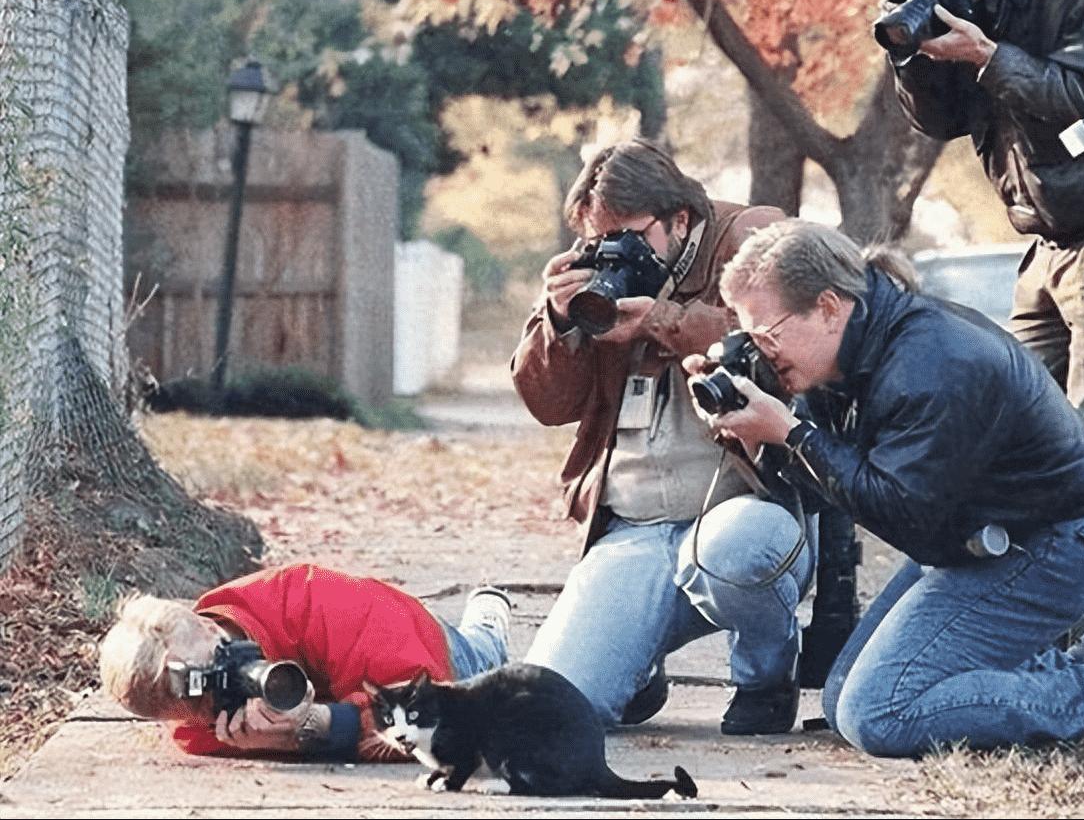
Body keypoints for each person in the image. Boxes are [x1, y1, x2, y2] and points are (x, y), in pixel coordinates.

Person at [698, 218, 1084, 756]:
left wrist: (792, 436)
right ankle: (1043, 671)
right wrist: (756, 435)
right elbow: (827, 493)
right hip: (971, 542)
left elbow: (900, 513)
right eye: (747, 338)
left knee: (880, 712)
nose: (761, 352)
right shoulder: (844, 358)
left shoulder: (933, 364)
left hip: (1048, 548)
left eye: (767, 336)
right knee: (846, 700)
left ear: (828, 307)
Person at [511, 137, 810, 736]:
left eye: (628, 234)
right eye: (600, 239)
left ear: (680, 218)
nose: (613, 251)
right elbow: (548, 405)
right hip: (635, 530)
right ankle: (633, 658)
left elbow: (783, 340)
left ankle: (765, 676)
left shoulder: (750, 236)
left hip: (739, 514)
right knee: (552, 712)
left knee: (735, 551)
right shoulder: (602, 276)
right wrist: (559, 319)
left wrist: (661, 320)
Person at [884, 0, 1084, 439]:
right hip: (1045, 239)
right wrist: (913, 56)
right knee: (1011, 434)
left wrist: (990, 57)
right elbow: (941, 122)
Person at [98, 562, 511, 761]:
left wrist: (321, 725)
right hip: (361, 681)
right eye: (201, 706)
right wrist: (283, 740)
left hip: (428, 651)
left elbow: (430, 720)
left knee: (488, 666)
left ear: (211, 628)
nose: (221, 699)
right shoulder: (198, 723)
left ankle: (488, 619)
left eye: (218, 672)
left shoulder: (312, 599)